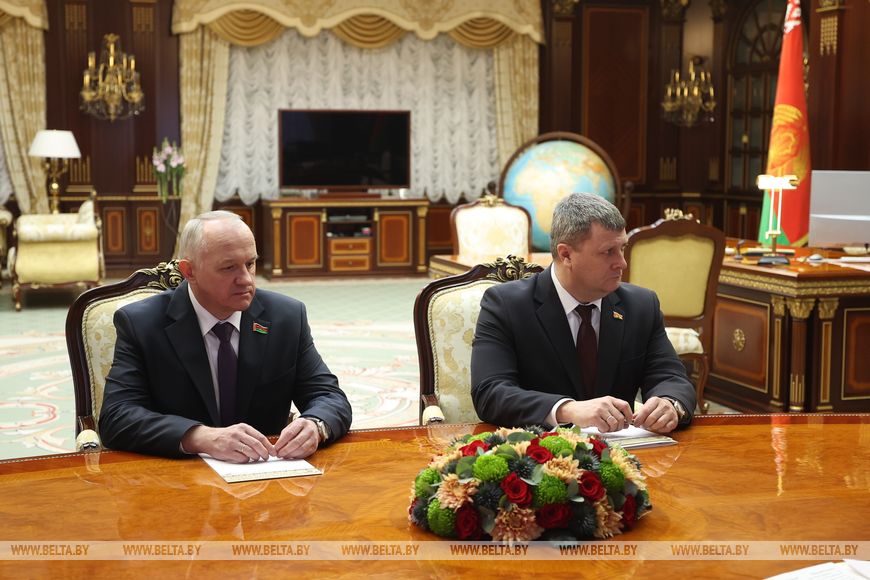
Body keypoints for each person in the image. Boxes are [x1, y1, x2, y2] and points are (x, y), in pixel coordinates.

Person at [100, 211, 352, 462]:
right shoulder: (141, 324)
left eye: (250, 264)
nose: (246, 280)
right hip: (179, 475)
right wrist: (200, 437)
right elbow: (117, 417)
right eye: (229, 267)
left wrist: (316, 425)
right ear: (189, 271)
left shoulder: (286, 317)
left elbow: (329, 397)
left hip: (266, 474)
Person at [471, 193, 696, 434]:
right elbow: (490, 392)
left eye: (622, 248)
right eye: (608, 251)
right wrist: (567, 409)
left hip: (626, 452)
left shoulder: (640, 305)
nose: (622, 263)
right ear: (566, 255)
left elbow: (671, 378)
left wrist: (670, 403)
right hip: (538, 449)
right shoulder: (506, 305)